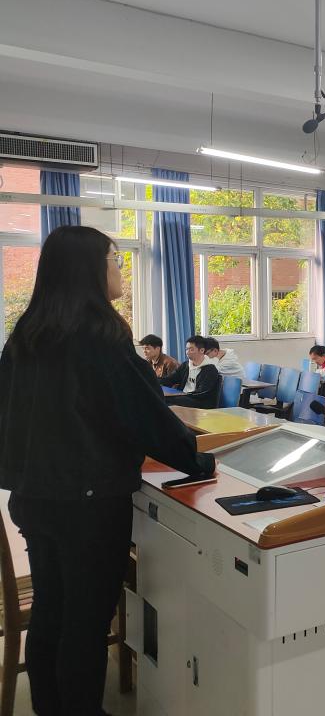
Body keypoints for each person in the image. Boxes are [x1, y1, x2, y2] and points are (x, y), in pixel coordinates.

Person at [0, 225, 213, 716]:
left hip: (35, 497)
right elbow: (145, 416)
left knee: (52, 609)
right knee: (86, 621)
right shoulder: (101, 336)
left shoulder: (26, 336)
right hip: (89, 504)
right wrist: (198, 460)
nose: (120, 269)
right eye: (115, 259)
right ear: (91, 270)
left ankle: (50, 708)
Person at [159, 336, 222, 408]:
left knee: (165, 400)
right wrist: (153, 380)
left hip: (200, 402)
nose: (187, 352)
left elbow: (202, 393)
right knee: (159, 396)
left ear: (202, 350)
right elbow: (170, 379)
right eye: (186, 349)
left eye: (191, 349)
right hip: (184, 397)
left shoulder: (210, 369)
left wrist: (180, 395)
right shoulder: (185, 365)